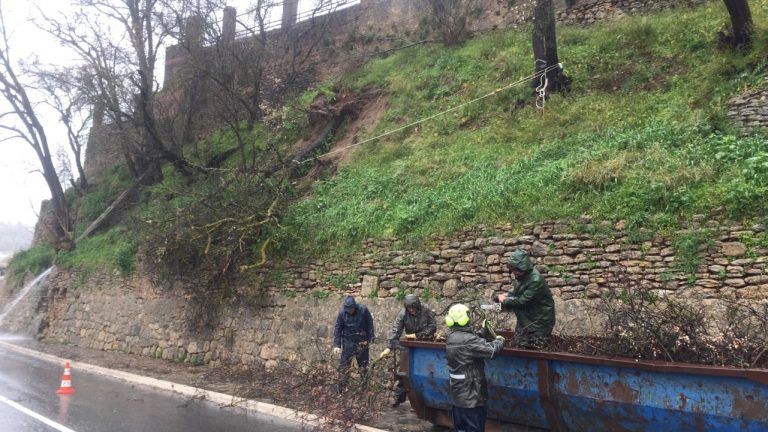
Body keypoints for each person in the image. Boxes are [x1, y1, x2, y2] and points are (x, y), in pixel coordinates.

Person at [444, 303, 505, 432]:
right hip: (472, 396)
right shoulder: (469, 341)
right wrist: (499, 340)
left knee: (460, 429)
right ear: (465, 318)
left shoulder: (451, 338)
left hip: (457, 396)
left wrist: (482, 332)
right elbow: (491, 350)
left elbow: (470, 342)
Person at [379, 294, 437, 407]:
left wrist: (417, 335)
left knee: (426, 372)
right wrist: (388, 347)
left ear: (418, 306)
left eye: (413, 308)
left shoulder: (426, 311)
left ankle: (425, 399)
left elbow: (433, 327)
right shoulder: (403, 314)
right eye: (409, 309)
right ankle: (398, 397)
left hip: (425, 344)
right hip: (410, 346)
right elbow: (396, 330)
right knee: (404, 372)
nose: (411, 311)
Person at [494, 249, 555, 349]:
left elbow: (522, 301)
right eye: (512, 270)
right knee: (519, 344)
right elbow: (517, 290)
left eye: (516, 269)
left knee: (538, 348)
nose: (514, 272)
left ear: (523, 267)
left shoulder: (536, 280)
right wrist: (507, 294)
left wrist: (504, 300)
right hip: (526, 319)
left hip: (539, 321)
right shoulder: (522, 277)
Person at [332, 295, 375, 391]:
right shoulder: (342, 313)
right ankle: (342, 388)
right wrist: (336, 345)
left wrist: (370, 339)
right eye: (348, 309)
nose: (350, 311)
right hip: (348, 342)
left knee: (363, 366)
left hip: (362, 342)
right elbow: (338, 329)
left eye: (351, 309)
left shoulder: (363, 310)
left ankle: (364, 388)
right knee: (344, 366)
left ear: (355, 306)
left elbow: (369, 324)